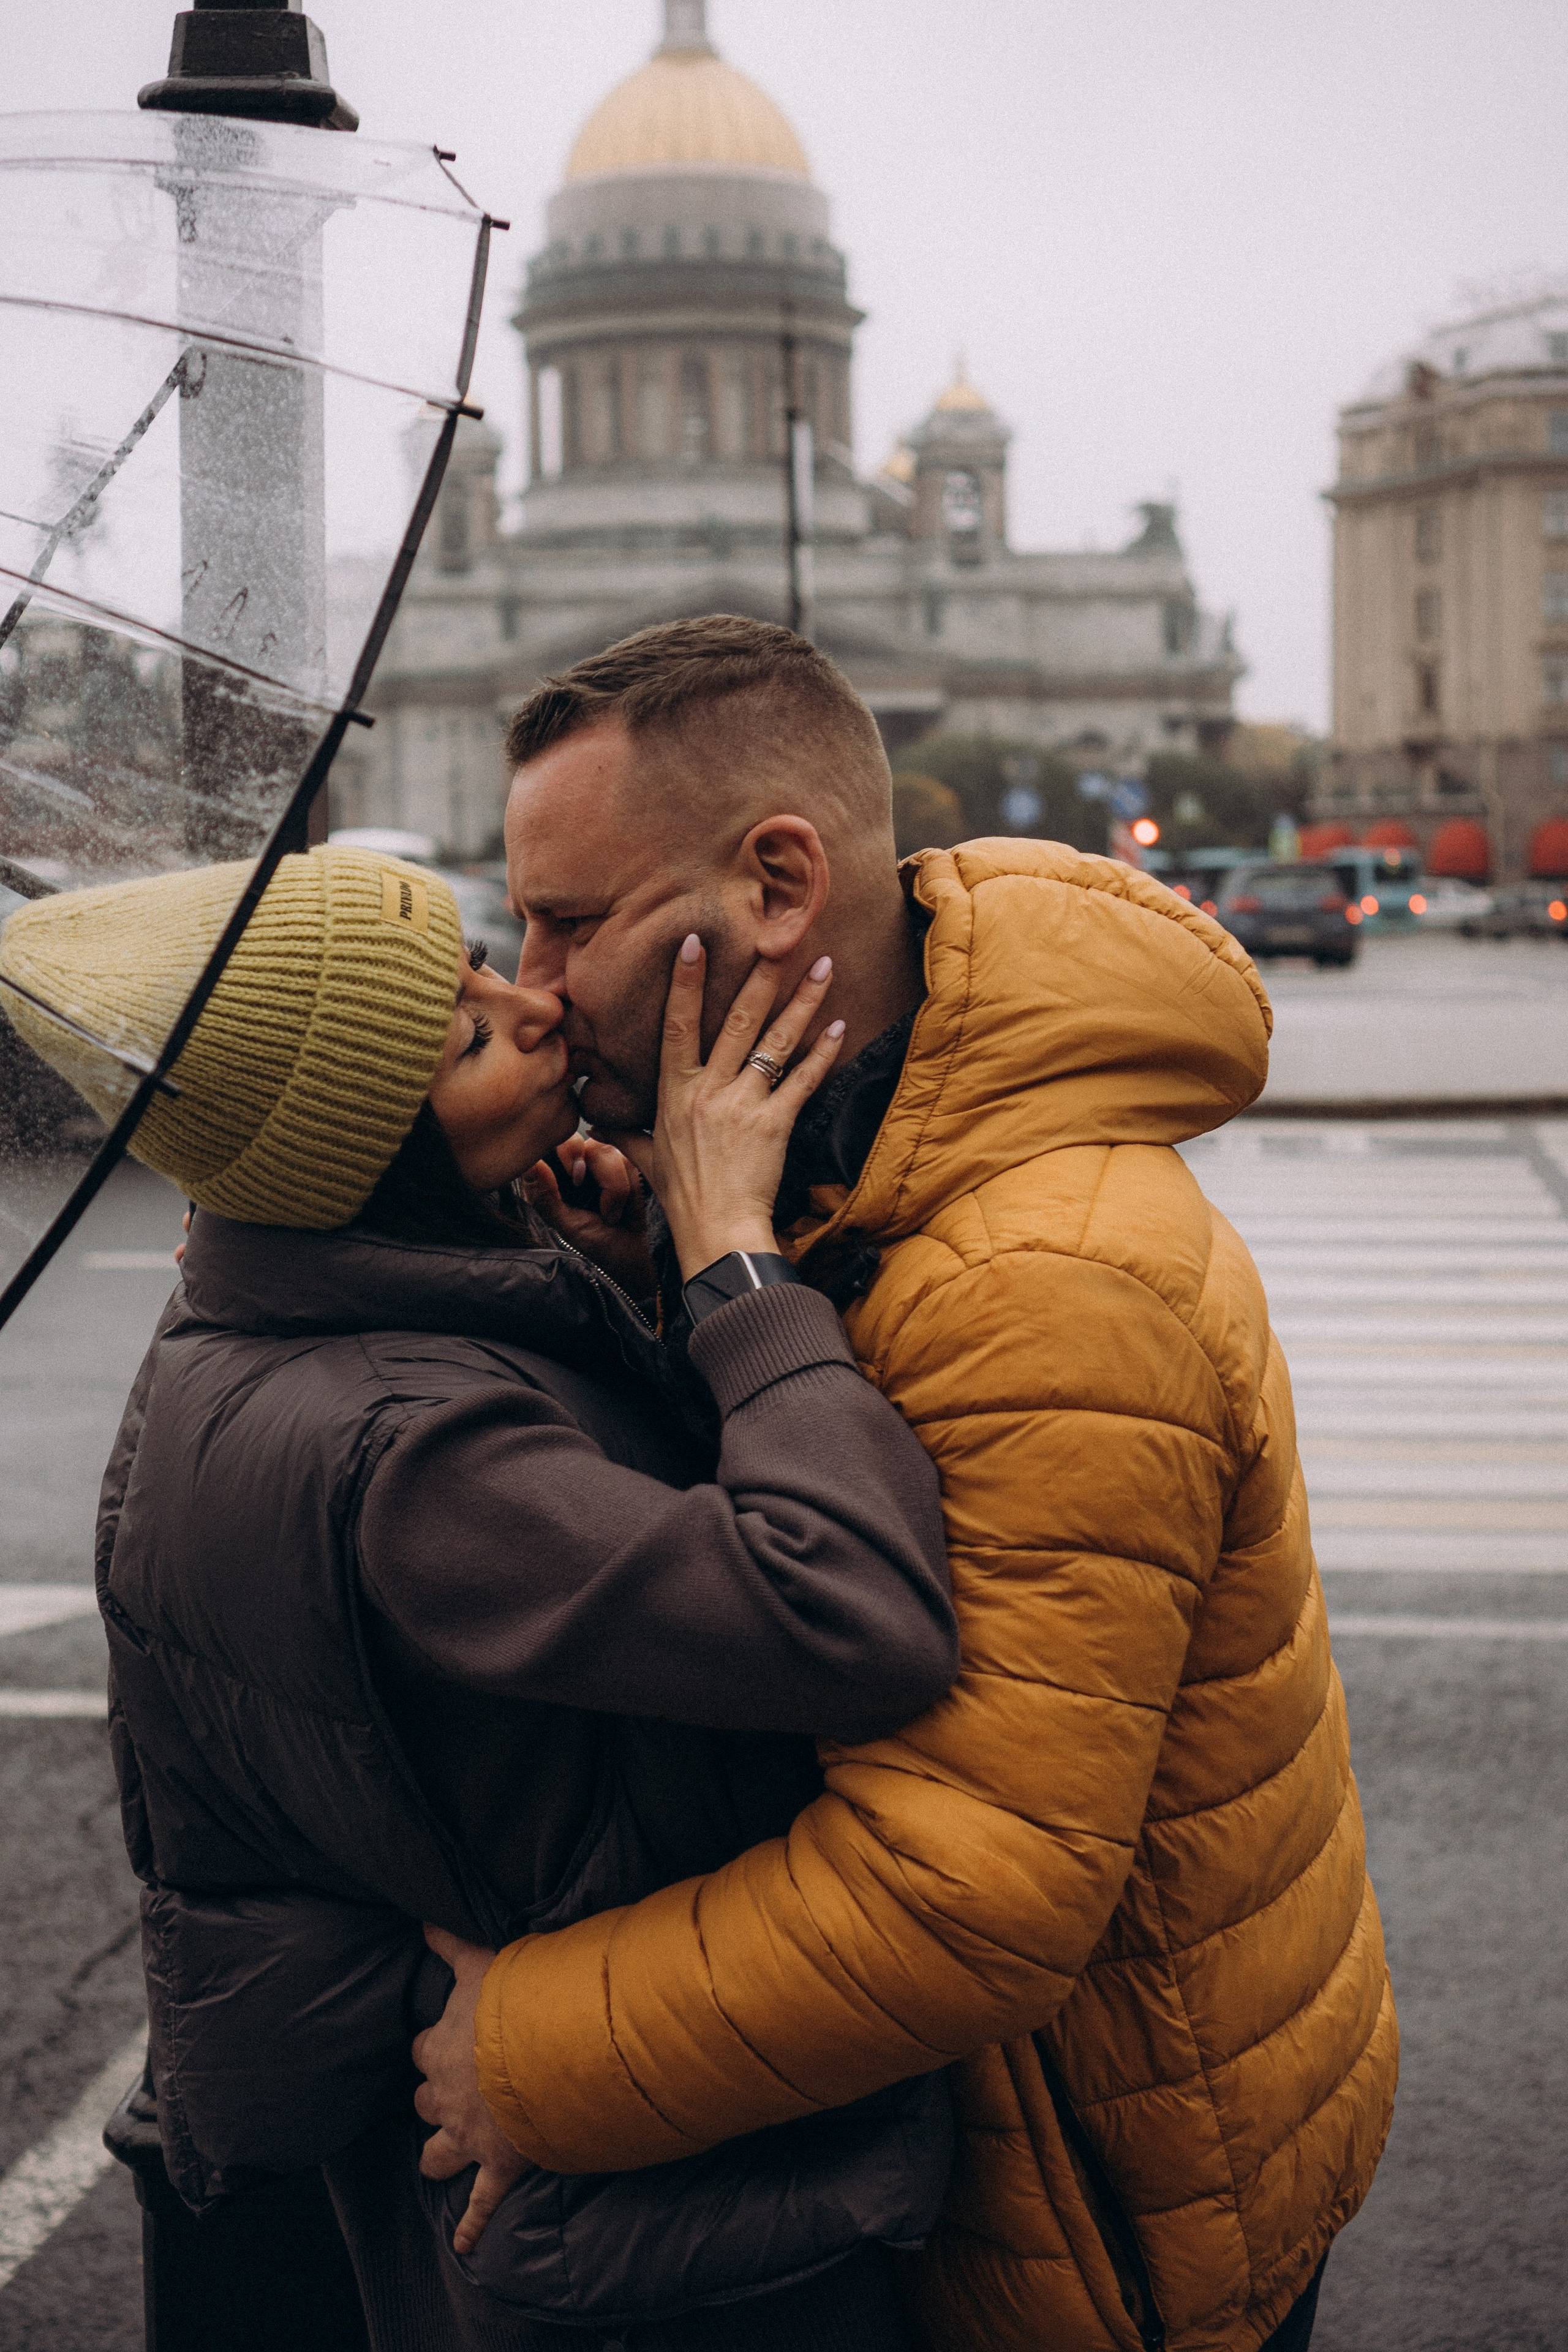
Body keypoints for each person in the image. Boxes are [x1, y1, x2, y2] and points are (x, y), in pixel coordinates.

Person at [412, 617, 1398, 2352]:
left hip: (1100, 2211)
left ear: (781, 883)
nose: (539, 988)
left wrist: (524, 2056)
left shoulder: (1045, 1276)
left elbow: (969, 1895)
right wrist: (676, 1263)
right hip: (1035, 2143)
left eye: (574, 919)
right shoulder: (840, 1164)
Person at [0, 843, 963, 2351]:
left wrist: (594, 1274)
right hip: (634, 2239)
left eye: (480, 971)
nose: (532, 1010)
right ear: (369, 1156)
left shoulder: (254, 1316)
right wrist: (734, 1270)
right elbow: (847, 1614)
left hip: (525, 2178)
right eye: (465, 1041)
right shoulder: (418, 1447)